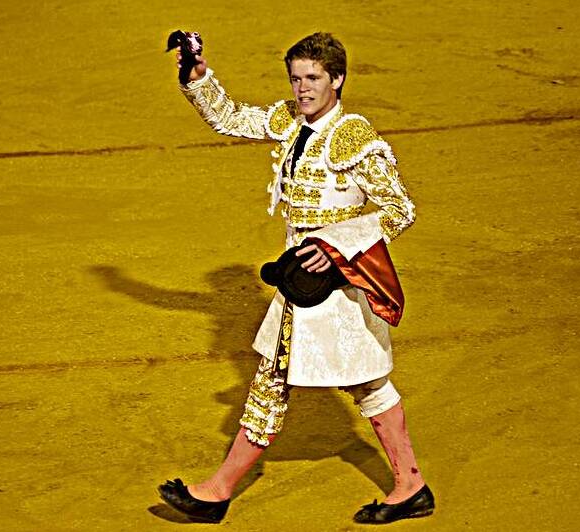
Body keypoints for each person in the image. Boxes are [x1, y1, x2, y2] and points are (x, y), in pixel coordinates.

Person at [158, 32, 434, 525]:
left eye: (312, 78)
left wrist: (334, 247)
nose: (302, 88)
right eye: (295, 78)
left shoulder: (353, 138)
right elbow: (230, 118)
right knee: (314, 382)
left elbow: (400, 209)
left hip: (336, 286)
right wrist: (198, 78)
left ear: (337, 79)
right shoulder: (291, 120)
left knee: (353, 384)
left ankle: (220, 492)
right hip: (300, 283)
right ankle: (409, 486)